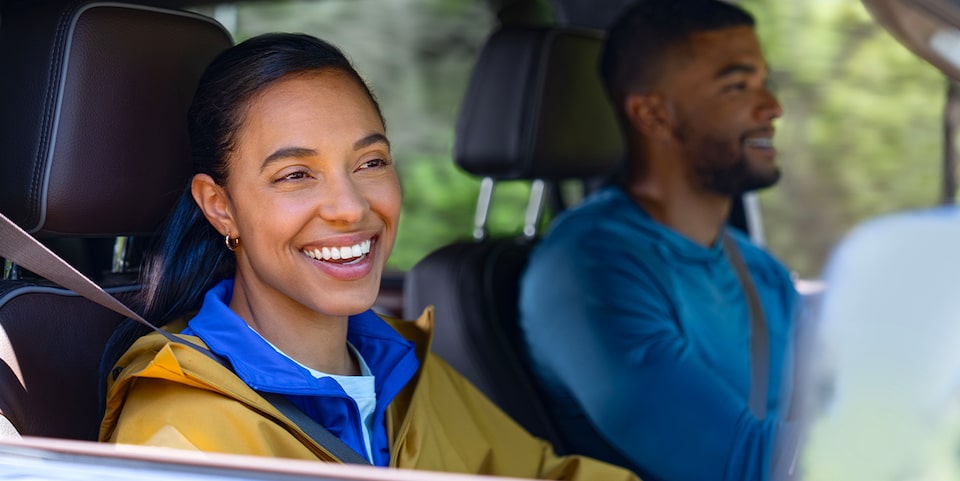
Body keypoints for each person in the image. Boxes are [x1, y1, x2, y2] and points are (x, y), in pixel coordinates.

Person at [97, 33, 639, 480]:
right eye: (295, 175)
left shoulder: (401, 369)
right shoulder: (181, 440)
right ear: (220, 208)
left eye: (371, 162)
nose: (350, 207)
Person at [518, 1, 799, 480]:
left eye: (764, 83)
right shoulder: (590, 271)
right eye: (737, 86)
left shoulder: (761, 272)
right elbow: (746, 466)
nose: (772, 107)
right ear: (653, 115)